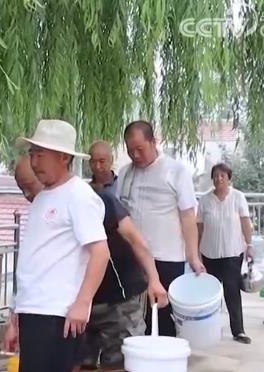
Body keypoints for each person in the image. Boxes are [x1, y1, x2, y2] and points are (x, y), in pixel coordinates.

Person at [15, 140, 168, 371]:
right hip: (80, 301)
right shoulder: (44, 204)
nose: (27, 194)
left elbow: (136, 240)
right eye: (21, 189)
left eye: (29, 185)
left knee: (118, 362)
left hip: (117, 295)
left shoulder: (93, 199)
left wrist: (154, 279)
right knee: (81, 362)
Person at [2, 119, 110, 372]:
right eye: (32, 154)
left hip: (58, 312)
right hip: (33, 310)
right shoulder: (42, 198)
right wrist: (16, 315)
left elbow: (100, 252)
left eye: (41, 155)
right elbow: (32, 261)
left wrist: (82, 302)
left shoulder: (79, 196)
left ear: (63, 157)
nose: (34, 162)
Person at [117, 120, 205, 337]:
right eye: (130, 150)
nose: (135, 155)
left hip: (166, 257)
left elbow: (188, 216)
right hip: (133, 256)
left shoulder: (176, 171)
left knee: (162, 317)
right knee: (134, 317)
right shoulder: (125, 173)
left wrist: (193, 256)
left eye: (140, 149)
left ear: (153, 142)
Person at [196, 163, 252, 343]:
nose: (219, 179)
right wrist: (195, 252)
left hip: (232, 252)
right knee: (210, 293)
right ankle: (208, 329)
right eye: (216, 176)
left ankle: (238, 331)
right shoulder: (205, 200)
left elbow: (245, 222)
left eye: (222, 176)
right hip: (209, 252)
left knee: (231, 290)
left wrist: (249, 244)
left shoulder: (238, 197)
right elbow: (199, 227)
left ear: (229, 178)